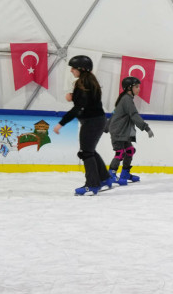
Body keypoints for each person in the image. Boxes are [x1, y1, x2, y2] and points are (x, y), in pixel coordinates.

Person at [52, 55, 112, 195]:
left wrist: (61, 124)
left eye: (73, 68)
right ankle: (105, 178)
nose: (71, 70)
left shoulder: (83, 84)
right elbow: (88, 101)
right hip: (97, 120)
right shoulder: (89, 82)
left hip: (92, 122)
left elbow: (79, 108)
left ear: (81, 69)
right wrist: (73, 96)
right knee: (90, 150)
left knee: (86, 153)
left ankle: (92, 185)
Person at [105, 76, 154, 185]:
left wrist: (107, 126)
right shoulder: (126, 99)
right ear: (129, 88)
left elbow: (115, 113)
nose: (139, 89)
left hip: (123, 132)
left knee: (130, 150)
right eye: (136, 87)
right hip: (118, 131)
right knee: (120, 152)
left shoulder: (126, 99)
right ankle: (111, 174)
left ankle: (125, 173)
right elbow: (134, 115)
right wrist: (146, 128)